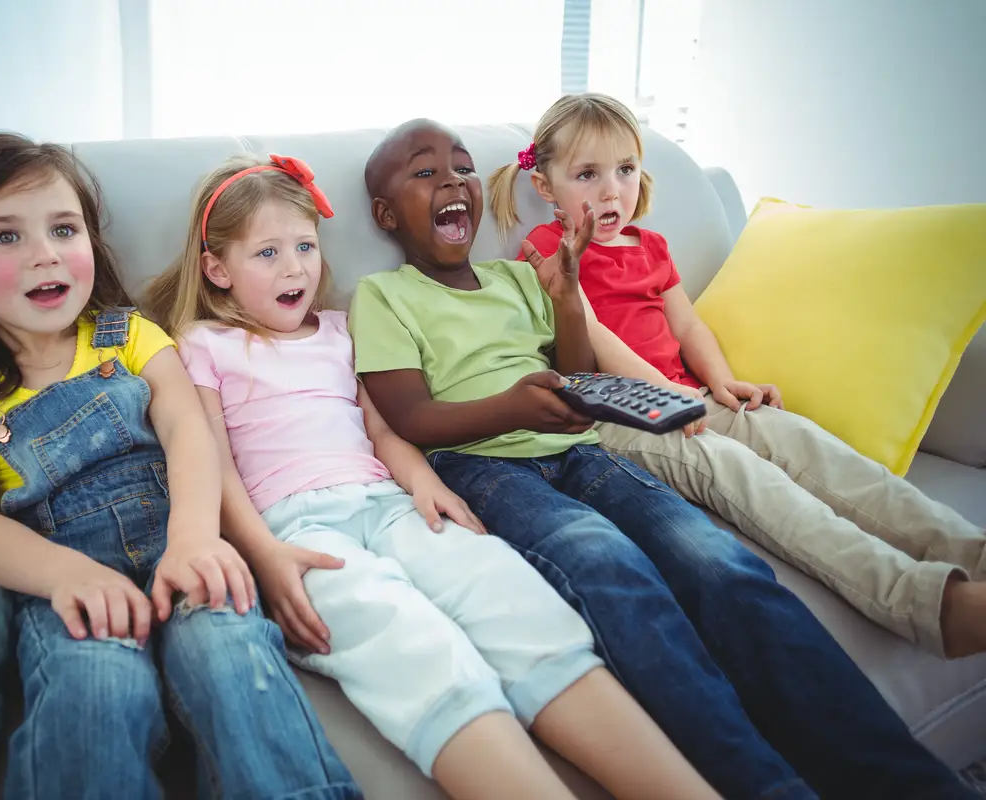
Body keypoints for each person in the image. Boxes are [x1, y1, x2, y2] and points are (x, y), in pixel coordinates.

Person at [351, 117, 979, 800]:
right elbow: (412, 417)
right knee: (612, 569)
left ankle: (909, 782)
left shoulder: (516, 278)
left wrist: (566, 303)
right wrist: (514, 408)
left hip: (578, 446)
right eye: (426, 172)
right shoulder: (384, 296)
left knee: (724, 566)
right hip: (487, 468)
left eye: (463, 167)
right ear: (385, 215)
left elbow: (577, 370)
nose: (453, 181)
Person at [143, 153, 719, 800]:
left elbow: (382, 430)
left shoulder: (338, 329)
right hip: (296, 526)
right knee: (408, 637)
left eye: (305, 245)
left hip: (386, 501)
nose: (295, 267)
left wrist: (425, 485)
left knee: (507, 594)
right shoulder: (203, 344)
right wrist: (263, 553)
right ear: (218, 269)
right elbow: (211, 462)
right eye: (267, 253)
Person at [0, 133, 359, 800]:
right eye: (5, 236)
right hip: (62, 581)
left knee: (233, 659)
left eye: (62, 229)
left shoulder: (128, 335)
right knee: (95, 691)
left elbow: (188, 430)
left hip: (181, 545)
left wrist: (194, 537)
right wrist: (66, 575)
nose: (44, 253)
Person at [488, 91, 986, 660]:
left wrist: (722, 382)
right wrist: (665, 394)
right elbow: (595, 336)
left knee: (807, 443)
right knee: (751, 479)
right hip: (622, 416)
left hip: (689, 396)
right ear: (545, 186)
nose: (611, 191)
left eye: (625, 169)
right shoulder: (549, 250)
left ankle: (972, 553)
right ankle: (928, 604)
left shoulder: (651, 247)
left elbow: (687, 324)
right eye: (587, 175)